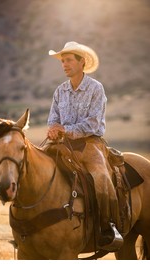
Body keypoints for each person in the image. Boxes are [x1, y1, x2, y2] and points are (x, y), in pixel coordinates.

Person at [47, 41, 123, 251]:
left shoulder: (96, 88)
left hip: (90, 143)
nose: (64, 64)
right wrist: (53, 128)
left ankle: (108, 226)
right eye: (63, 61)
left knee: (101, 176)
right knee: (36, 166)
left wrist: (66, 130)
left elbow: (94, 123)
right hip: (63, 144)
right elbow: (53, 118)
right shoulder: (60, 91)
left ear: (82, 63)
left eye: (69, 60)